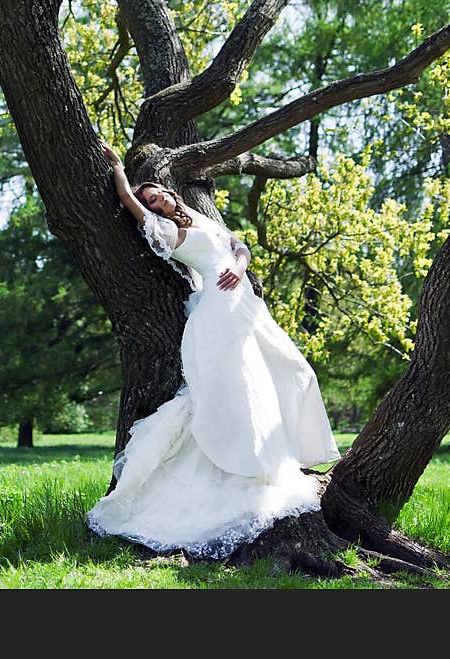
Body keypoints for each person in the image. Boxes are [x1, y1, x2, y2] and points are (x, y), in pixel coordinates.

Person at [86, 140, 341, 559]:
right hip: (218, 313)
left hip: (245, 304)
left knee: (295, 370)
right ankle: (246, 466)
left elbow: (238, 246)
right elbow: (128, 198)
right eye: (153, 202)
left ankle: (293, 452)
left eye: (160, 195)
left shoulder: (201, 216)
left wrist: (240, 266)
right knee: (242, 387)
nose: (159, 202)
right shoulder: (163, 230)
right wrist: (117, 166)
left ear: (170, 192)